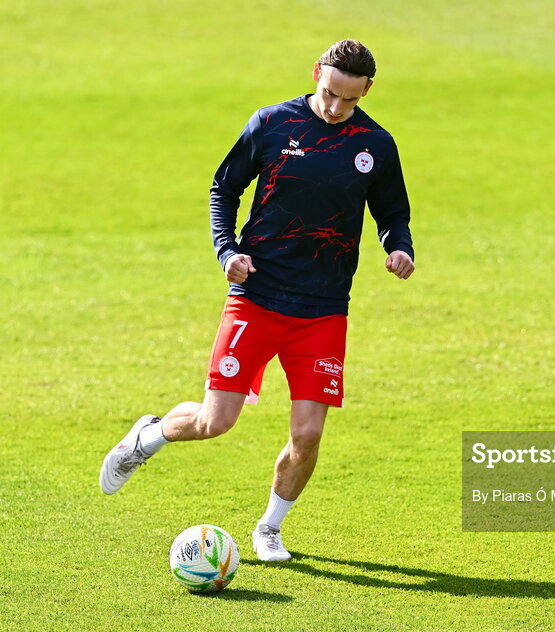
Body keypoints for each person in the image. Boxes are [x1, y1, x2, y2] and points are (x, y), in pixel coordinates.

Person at [99, 40, 415, 562]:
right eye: (329, 93)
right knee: (214, 422)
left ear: (367, 92)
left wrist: (399, 247)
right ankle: (147, 437)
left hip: (324, 308)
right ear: (317, 73)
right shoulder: (272, 124)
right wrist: (227, 252)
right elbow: (224, 189)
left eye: (349, 100)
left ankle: (269, 528)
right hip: (258, 297)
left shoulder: (376, 145)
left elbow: (392, 211)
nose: (336, 107)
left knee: (308, 433)